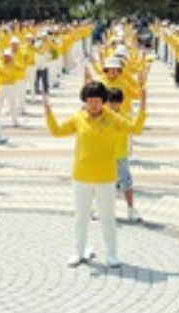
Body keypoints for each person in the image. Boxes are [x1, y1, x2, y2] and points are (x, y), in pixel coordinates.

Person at [43, 81, 135, 268]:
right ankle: (78, 251)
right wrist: (48, 112)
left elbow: (135, 128)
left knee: (108, 217)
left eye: (98, 100)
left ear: (104, 101)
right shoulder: (79, 118)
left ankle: (111, 254)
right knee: (81, 216)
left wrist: (144, 107)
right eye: (90, 100)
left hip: (106, 176)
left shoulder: (112, 118)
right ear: (84, 101)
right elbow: (57, 131)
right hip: (82, 175)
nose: (93, 104)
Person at [105, 87, 147, 222]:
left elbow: (136, 129)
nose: (113, 105)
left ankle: (130, 209)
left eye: (116, 102)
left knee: (126, 183)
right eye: (111, 102)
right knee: (104, 185)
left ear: (121, 103)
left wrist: (142, 109)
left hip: (120, 155)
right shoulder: (102, 116)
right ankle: (103, 209)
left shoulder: (125, 116)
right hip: (104, 156)